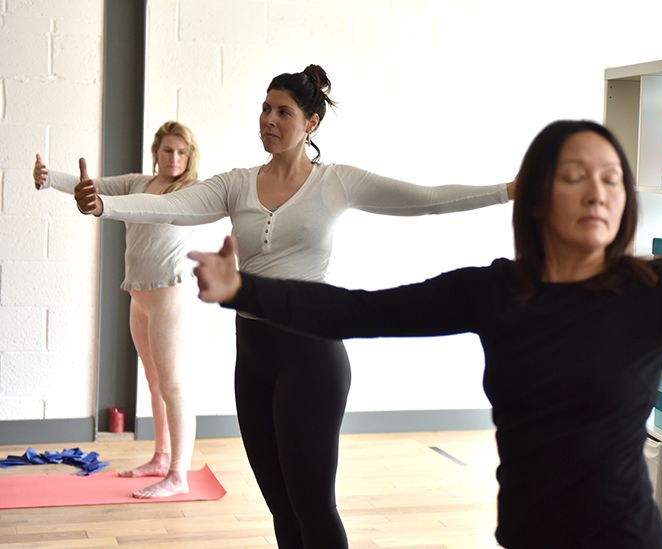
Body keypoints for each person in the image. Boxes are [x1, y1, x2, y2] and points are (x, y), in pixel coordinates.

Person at [186, 119, 662, 549]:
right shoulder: (498, 291)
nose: (597, 189)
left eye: (611, 177)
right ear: (535, 196)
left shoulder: (656, 293)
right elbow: (359, 310)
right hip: (525, 535)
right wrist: (242, 290)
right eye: (574, 174)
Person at [72, 64, 514, 548]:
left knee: (313, 506)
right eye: (265, 108)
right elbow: (171, 206)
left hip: (312, 357)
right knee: (281, 507)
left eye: (283, 112)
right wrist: (104, 207)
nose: (269, 119)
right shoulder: (236, 184)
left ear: (311, 123)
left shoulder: (335, 182)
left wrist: (508, 191)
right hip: (254, 356)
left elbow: (425, 200)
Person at [34, 121, 203, 499]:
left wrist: (106, 208)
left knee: (174, 384)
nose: (173, 157)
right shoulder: (137, 183)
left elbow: (142, 210)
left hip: (168, 298)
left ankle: (179, 474)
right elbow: (94, 187)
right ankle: (162, 457)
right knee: (155, 382)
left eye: (181, 152)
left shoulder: (191, 192)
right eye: (167, 150)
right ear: (156, 151)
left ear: (189, 156)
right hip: (139, 296)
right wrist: (48, 179)